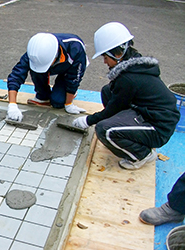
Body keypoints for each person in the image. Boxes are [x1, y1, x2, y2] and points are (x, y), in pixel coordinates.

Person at [73, 22, 180, 170]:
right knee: (107, 91)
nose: (104, 61)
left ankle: (141, 155)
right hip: (148, 112)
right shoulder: (135, 62)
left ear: (117, 54)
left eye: (105, 56)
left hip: (159, 127)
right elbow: (116, 102)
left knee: (104, 130)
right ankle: (123, 136)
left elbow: (111, 110)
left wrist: (88, 120)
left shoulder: (128, 79)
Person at [6, 32, 88, 122]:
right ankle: (43, 96)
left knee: (58, 102)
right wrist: (12, 105)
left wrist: (68, 103)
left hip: (68, 68)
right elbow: (16, 75)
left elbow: (74, 77)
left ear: (55, 56)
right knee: (35, 69)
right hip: (49, 63)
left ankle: (68, 93)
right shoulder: (35, 52)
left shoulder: (75, 49)